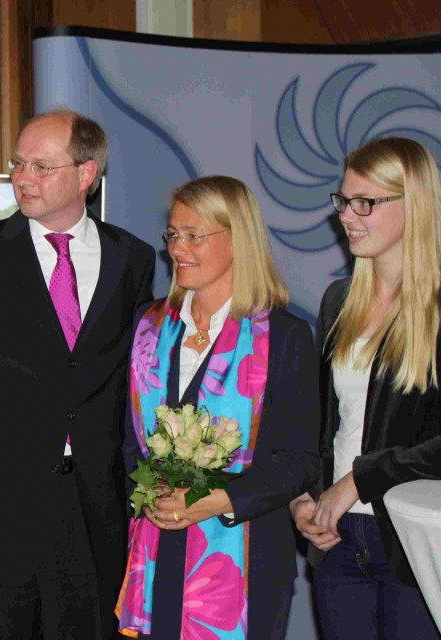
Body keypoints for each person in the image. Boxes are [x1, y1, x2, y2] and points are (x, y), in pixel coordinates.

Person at [0, 110, 156, 638]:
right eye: (18, 164)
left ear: (86, 175)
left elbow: (136, 388)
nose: (23, 178)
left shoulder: (133, 259)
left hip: (96, 513)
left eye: (41, 167)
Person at [117, 176, 320, 639]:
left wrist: (220, 500)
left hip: (246, 556)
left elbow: (298, 462)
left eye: (194, 235)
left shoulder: (284, 338)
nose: (178, 248)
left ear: (239, 239)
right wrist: (152, 495)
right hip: (153, 547)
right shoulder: (148, 326)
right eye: (172, 234)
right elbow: (128, 442)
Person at [291, 137, 441, 639]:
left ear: (414, 205)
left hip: (415, 542)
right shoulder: (340, 300)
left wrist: (361, 478)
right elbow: (324, 423)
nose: (347, 216)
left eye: (367, 203)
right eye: (343, 201)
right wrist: (306, 495)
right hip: (337, 540)